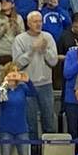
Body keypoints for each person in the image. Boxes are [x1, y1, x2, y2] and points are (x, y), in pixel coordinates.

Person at [12, 11, 59, 144]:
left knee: (49, 120)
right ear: (28, 23)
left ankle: (50, 153)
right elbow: (17, 64)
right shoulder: (20, 39)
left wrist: (44, 50)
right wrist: (32, 50)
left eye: (40, 21)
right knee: (30, 121)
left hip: (46, 84)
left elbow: (54, 61)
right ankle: (33, 154)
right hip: (27, 85)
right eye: (35, 21)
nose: (38, 24)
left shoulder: (48, 37)